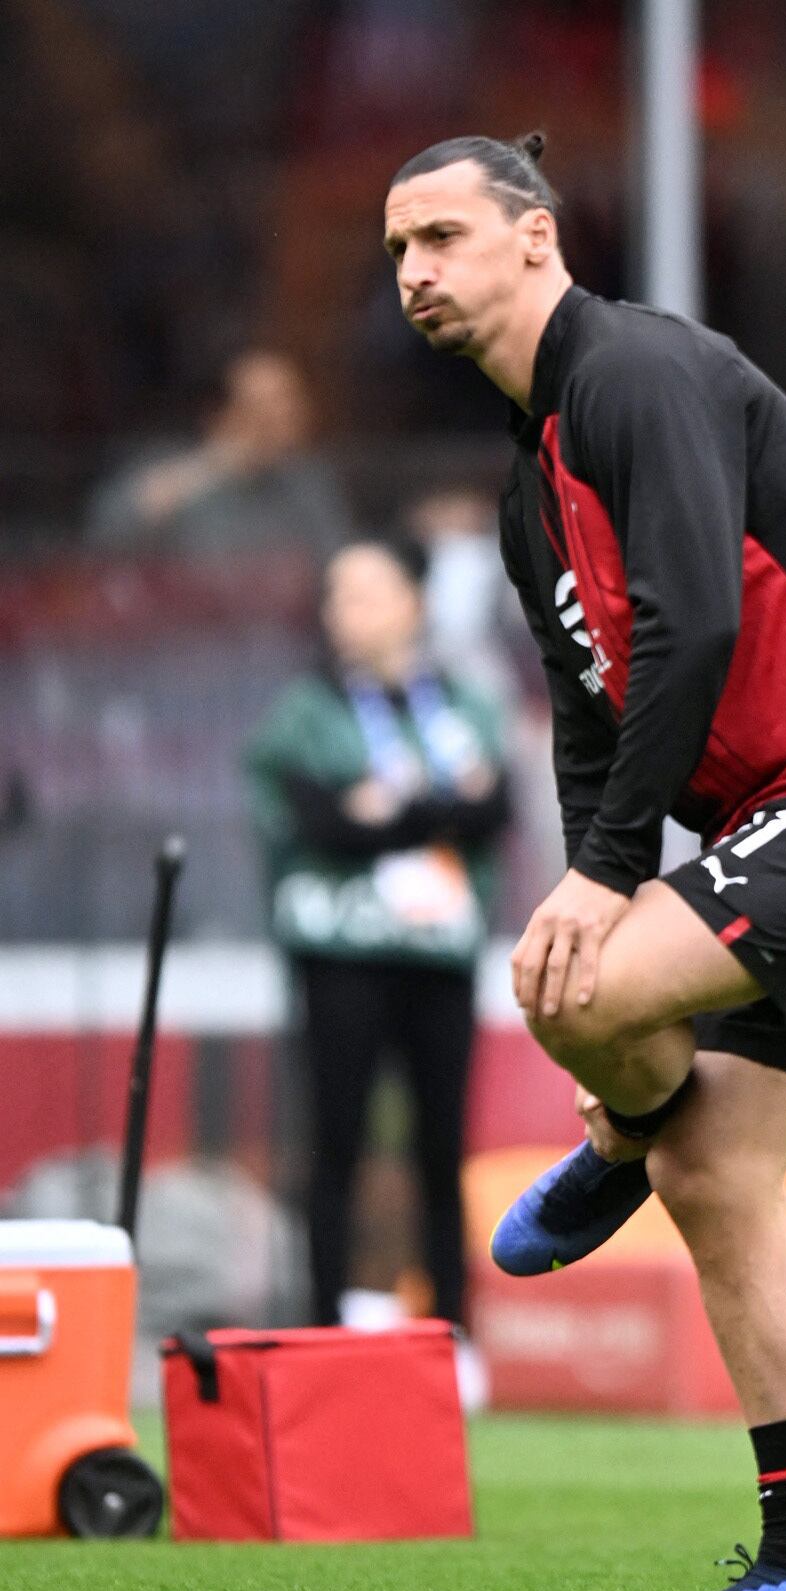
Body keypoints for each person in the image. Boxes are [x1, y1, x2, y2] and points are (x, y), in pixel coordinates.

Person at [382, 132, 786, 1591]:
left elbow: (696, 622)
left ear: (534, 240)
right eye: (395, 250)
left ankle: (617, 1130)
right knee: (715, 1168)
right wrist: (582, 868)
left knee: (582, 992)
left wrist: (610, 881)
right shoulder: (530, 487)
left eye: (443, 237)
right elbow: (591, 722)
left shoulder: (638, 374)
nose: (413, 273)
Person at [243, 536, 510, 1353]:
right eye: (335, 594)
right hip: (339, 954)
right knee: (335, 1143)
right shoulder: (303, 713)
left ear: (412, 603)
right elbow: (315, 821)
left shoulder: (465, 705)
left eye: (363, 592)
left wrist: (382, 812)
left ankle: (451, 1335)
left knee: (442, 1146)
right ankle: (322, 1325)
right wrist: (430, 809)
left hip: (438, 955)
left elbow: (490, 813)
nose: (342, 611)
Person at [88, 348, 351, 582]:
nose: (277, 421)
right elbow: (106, 536)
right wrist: (213, 465)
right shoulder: (171, 466)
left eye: (287, 405)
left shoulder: (308, 481)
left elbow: (339, 562)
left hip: (288, 631)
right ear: (220, 414)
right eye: (260, 410)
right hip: (190, 629)